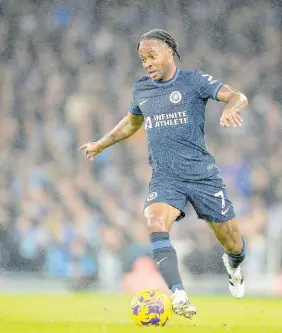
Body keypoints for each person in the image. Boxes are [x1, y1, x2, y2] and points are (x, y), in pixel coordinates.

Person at [80, 29, 248, 319]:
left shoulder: (194, 81)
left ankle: (233, 264)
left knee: (232, 241)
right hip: (165, 178)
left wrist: (230, 109)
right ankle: (179, 294)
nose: (147, 63)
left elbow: (237, 95)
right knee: (155, 221)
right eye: (142, 59)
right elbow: (131, 124)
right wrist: (101, 144)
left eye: (151, 56)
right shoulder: (141, 89)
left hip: (202, 175)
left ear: (169, 51)